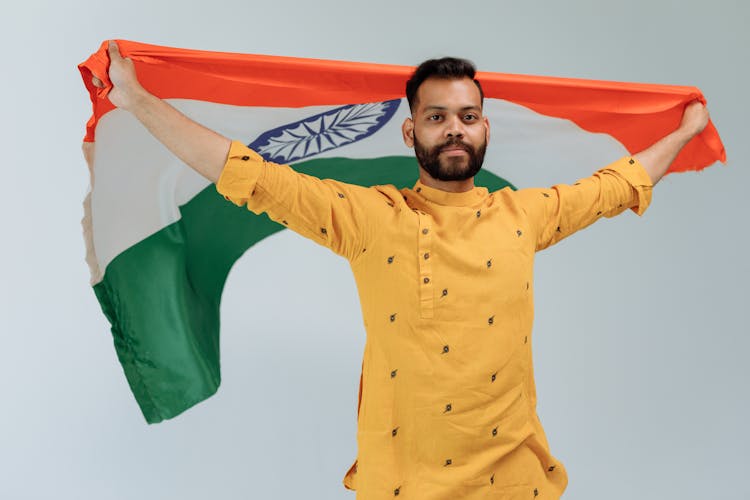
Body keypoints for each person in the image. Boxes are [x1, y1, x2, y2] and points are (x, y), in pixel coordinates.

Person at [92, 41, 709, 500]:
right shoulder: (368, 217)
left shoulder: (525, 214)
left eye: (467, 116)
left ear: (485, 128)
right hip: (403, 485)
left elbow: (618, 185)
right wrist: (139, 102)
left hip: (515, 483)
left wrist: (687, 131)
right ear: (412, 131)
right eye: (437, 117)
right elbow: (250, 176)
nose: (454, 130)